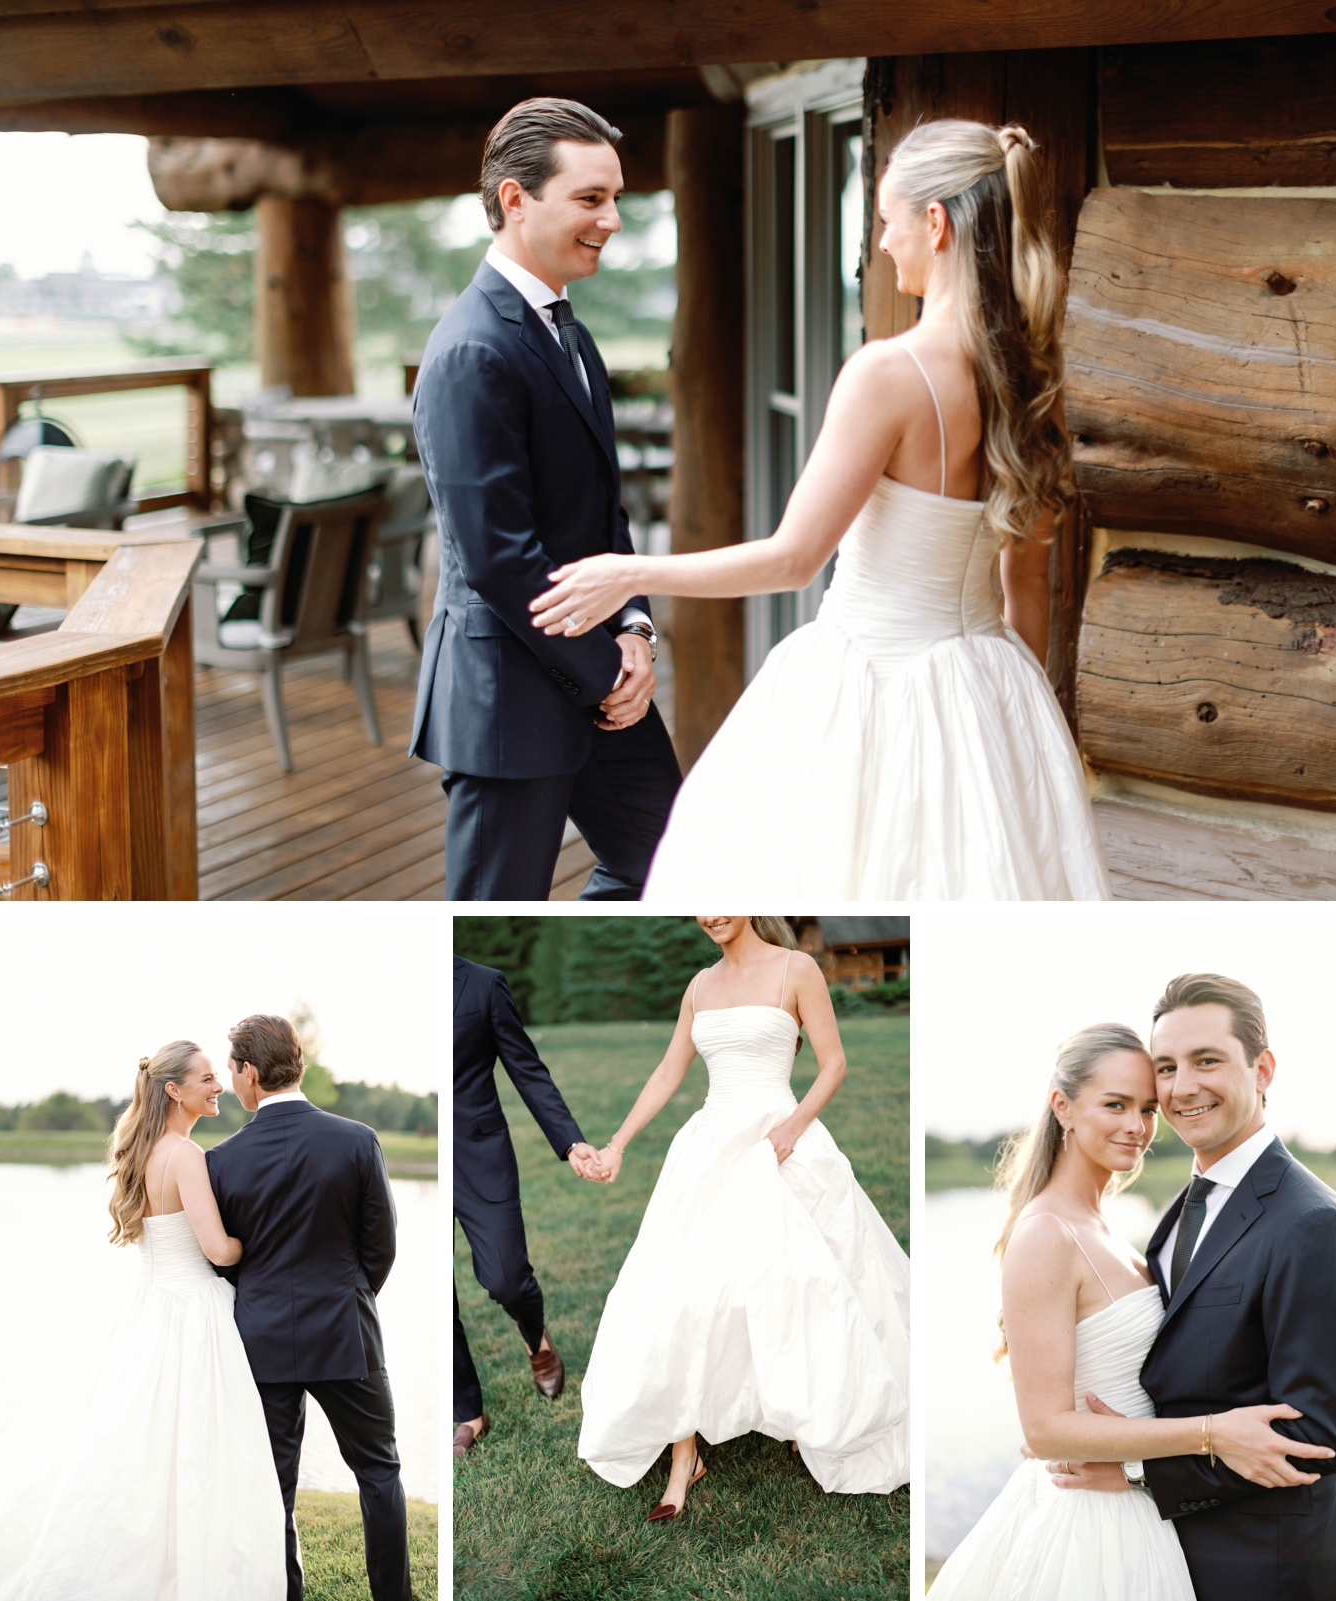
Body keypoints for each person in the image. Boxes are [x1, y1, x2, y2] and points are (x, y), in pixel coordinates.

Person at [529, 119, 1111, 901]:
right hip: (993, 680)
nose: (882, 243)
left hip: (870, 680)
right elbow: (1029, 589)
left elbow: (794, 558)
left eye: (885, 220)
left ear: (934, 224)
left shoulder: (888, 373)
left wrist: (628, 571)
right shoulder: (1032, 379)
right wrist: (1016, 730)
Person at [929, 1018, 1336, 1600]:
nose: (1137, 1127)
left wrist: (1135, 1462)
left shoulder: (1122, 1228)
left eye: (1149, 1109)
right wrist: (1213, 1433)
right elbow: (1045, 1426)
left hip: (1140, 1506)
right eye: (1116, 1105)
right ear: (1063, 1106)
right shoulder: (1048, 1234)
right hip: (1092, 1522)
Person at [410, 96, 682, 900]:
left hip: (604, 673)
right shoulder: (469, 351)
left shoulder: (569, 329)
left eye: (617, 198)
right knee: (492, 913)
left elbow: (602, 513)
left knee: (672, 870)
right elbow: (497, 557)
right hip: (510, 703)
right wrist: (606, 670)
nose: (613, 220)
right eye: (591, 199)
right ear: (514, 200)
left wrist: (634, 630)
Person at [1037, 976, 1336, 1601]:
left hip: (1274, 1570)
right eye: (1165, 1068)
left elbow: (1312, 1443)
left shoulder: (1318, 1227)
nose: (1181, 1088)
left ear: (1263, 1069)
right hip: (1171, 1556)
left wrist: (1138, 1468)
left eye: (1207, 1061)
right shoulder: (1178, 1213)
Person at [576, 917, 909, 1520]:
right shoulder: (699, 986)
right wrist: (618, 1143)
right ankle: (685, 1456)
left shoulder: (796, 968)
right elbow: (668, 1071)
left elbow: (832, 1064)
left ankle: (802, 1411)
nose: (711, 914)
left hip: (780, 1140)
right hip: (709, 1147)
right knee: (682, 1295)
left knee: (800, 1283)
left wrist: (791, 1128)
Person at [0, 1041, 286, 1600]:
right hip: (191, 1312)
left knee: (140, 1442)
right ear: (174, 1089)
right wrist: (265, 1243)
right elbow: (218, 1251)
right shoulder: (186, 1156)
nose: (218, 1084)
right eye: (206, 1077)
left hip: (147, 1307)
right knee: (194, 1446)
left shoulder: (144, 1151)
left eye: (219, 1075)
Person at [207, 1014, 412, 1601]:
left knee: (274, 1487)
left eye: (231, 1068)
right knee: (379, 1473)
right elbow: (382, 1248)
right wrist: (347, 1295)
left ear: (249, 1071)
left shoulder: (221, 1161)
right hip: (346, 1334)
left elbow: (224, 1264)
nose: (230, 1079)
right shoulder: (355, 1139)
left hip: (261, 1341)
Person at [453, 953, 604, 1459]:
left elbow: (527, 1069)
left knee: (506, 1277)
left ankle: (536, 1338)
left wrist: (570, 1142)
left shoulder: (483, 985)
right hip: (412, 1153)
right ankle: (467, 1411)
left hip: (481, 1154)